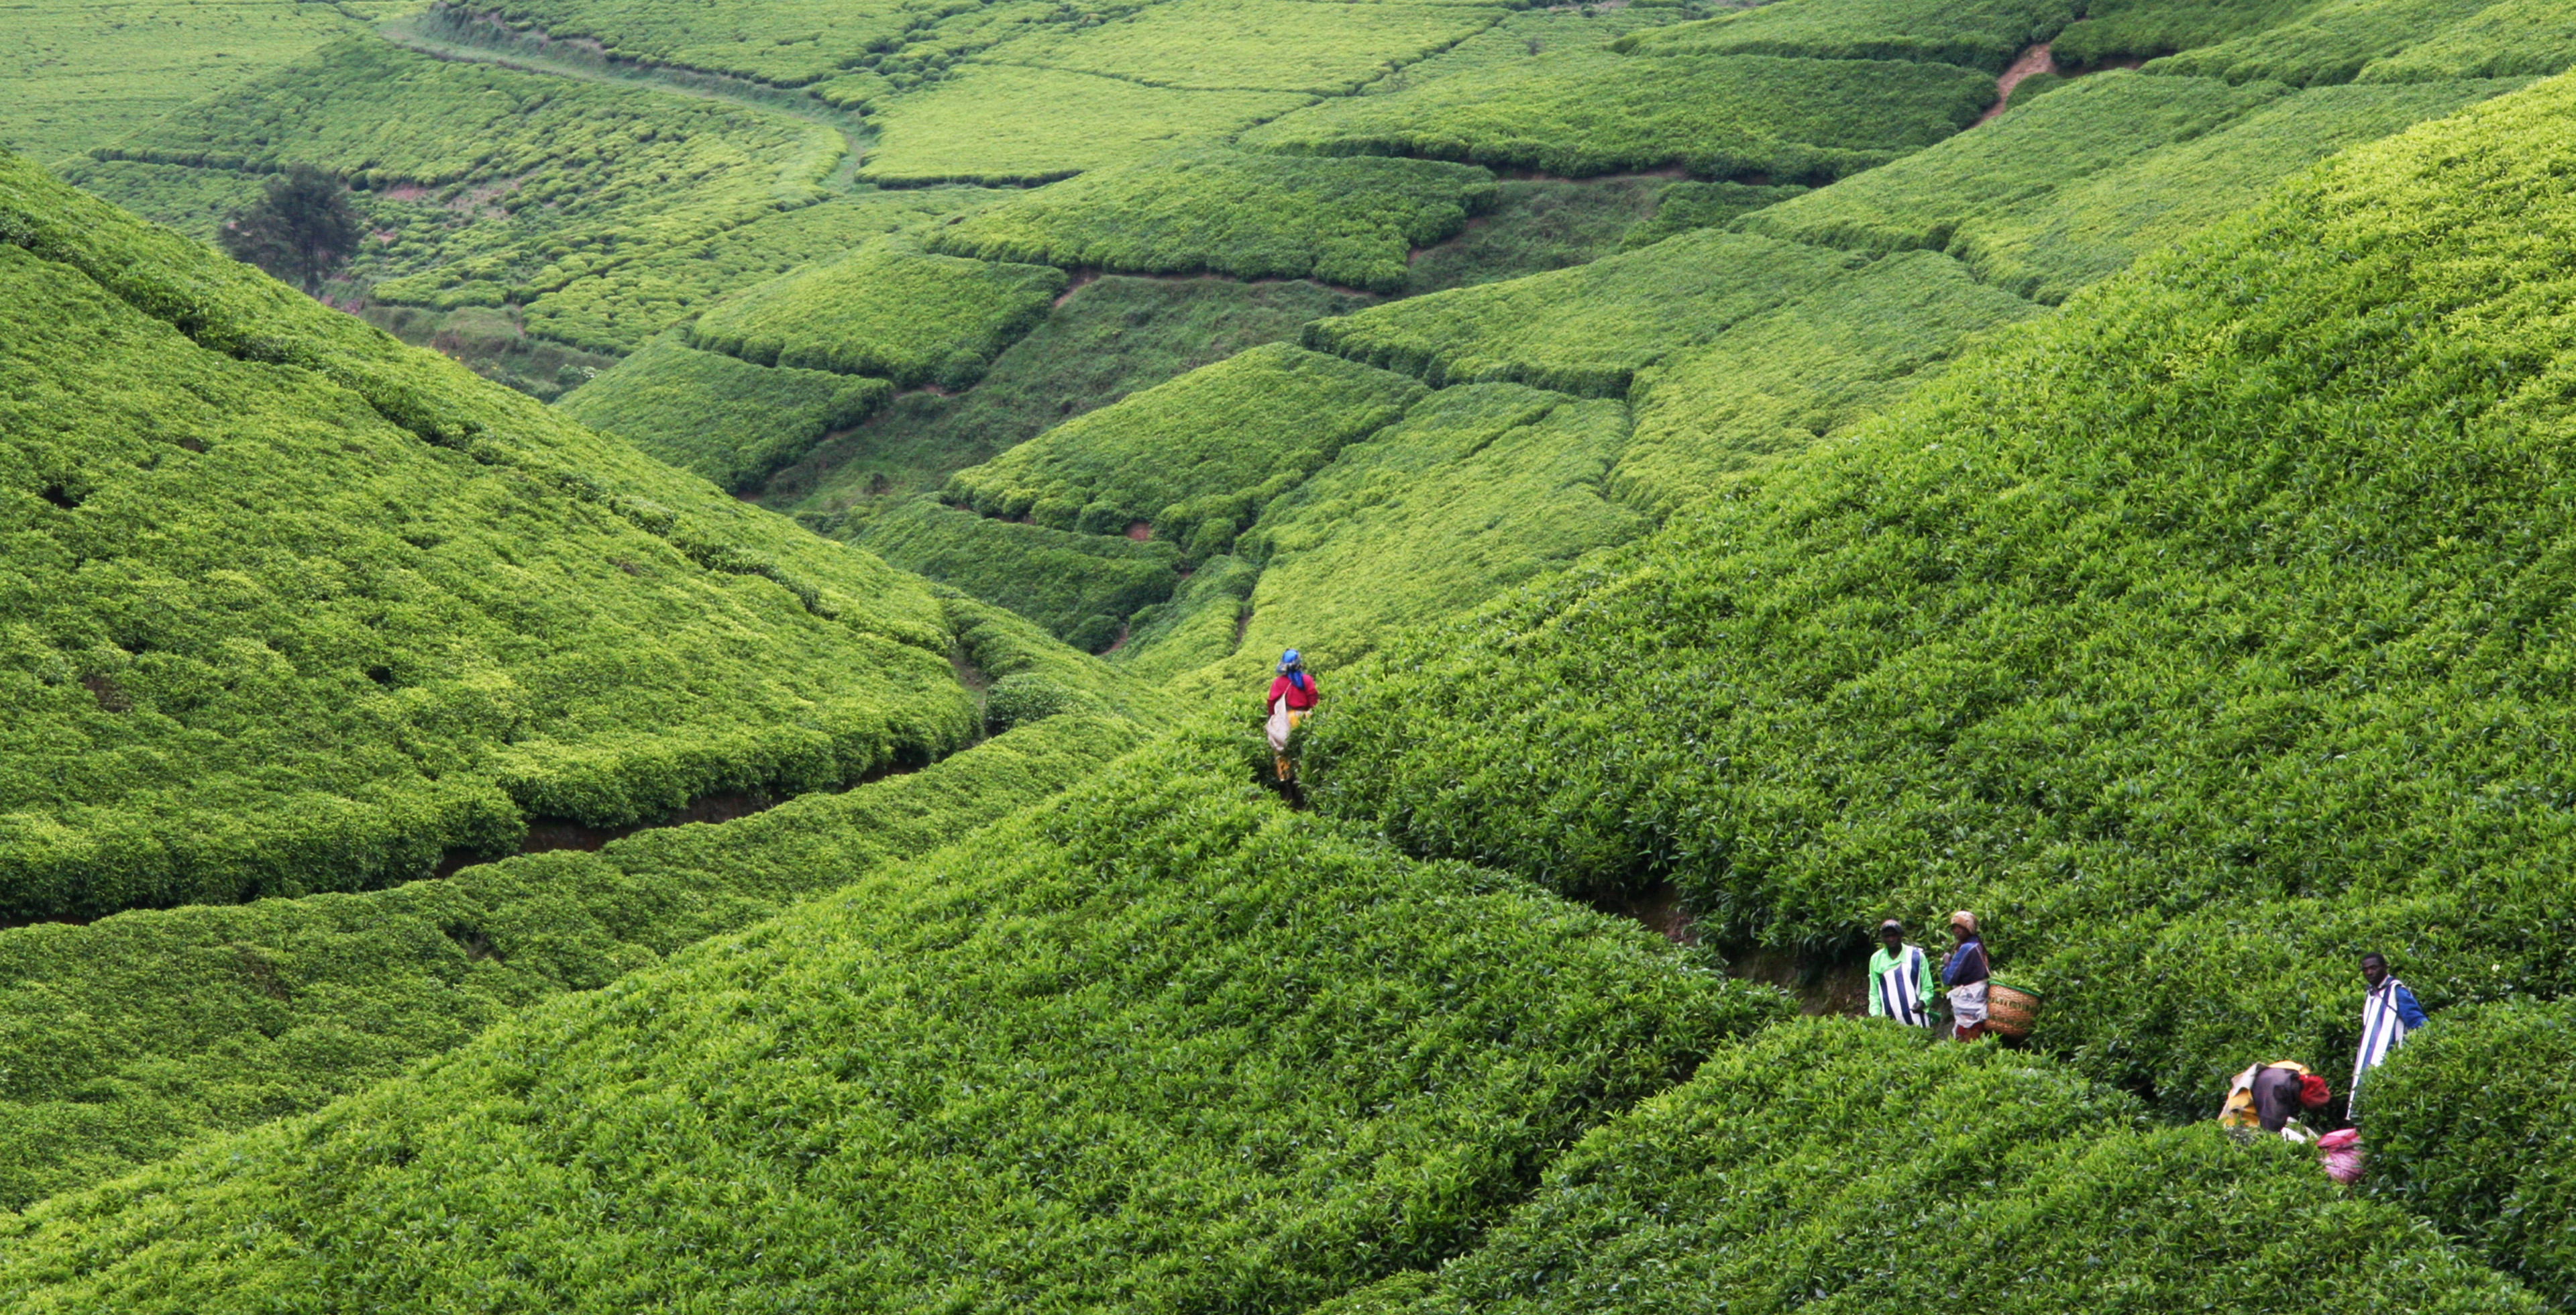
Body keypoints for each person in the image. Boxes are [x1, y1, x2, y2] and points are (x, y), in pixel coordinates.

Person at [2350, 951, 2430, 1118]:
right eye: (2365, 970)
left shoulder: (2396, 991)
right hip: (2368, 1059)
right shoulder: (2371, 993)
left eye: (2374, 968)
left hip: (2391, 1059)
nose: (2370, 973)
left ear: (2385, 968)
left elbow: (2418, 1021)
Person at [2220, 1061, 2332, 1139]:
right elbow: (2272, 1131)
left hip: (2259, 1088)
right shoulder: (2276, 1093)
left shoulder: (2300, 1073)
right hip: (2239, 1117)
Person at [1866, 918, 1936, 1029]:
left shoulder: (1916, 956)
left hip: (1917, 1019)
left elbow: (1928, 987)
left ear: (1901, 935)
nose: (1891, 939)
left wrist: (1922, 1002)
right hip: (1889, 1023)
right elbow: (1874, 992)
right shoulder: (1876, 959)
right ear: (1882, 938)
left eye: (1894, 935)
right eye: (1887, 936)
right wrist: (1876, 1015)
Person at [1265, 649, 1318, 782]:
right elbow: (1313, 700)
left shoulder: (1279, 682)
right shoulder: (1306, 680)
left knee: (1282, 750)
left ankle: (1286, 778)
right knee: (1305, 748)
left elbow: (1272, 702)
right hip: (1305, 717)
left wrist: (1271, 716)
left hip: (1286, 719)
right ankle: (1307, 776)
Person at [1941, 911, 1989, 1041]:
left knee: (1966, 1035)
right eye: (1954, 928)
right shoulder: (1977, 945)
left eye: (1960, 927)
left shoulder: (1967, 948)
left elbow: (1949, 978)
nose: (1956, 931)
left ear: (1969, 928)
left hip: (1970, 1001)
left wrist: (1946, 963)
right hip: (1977, 999)